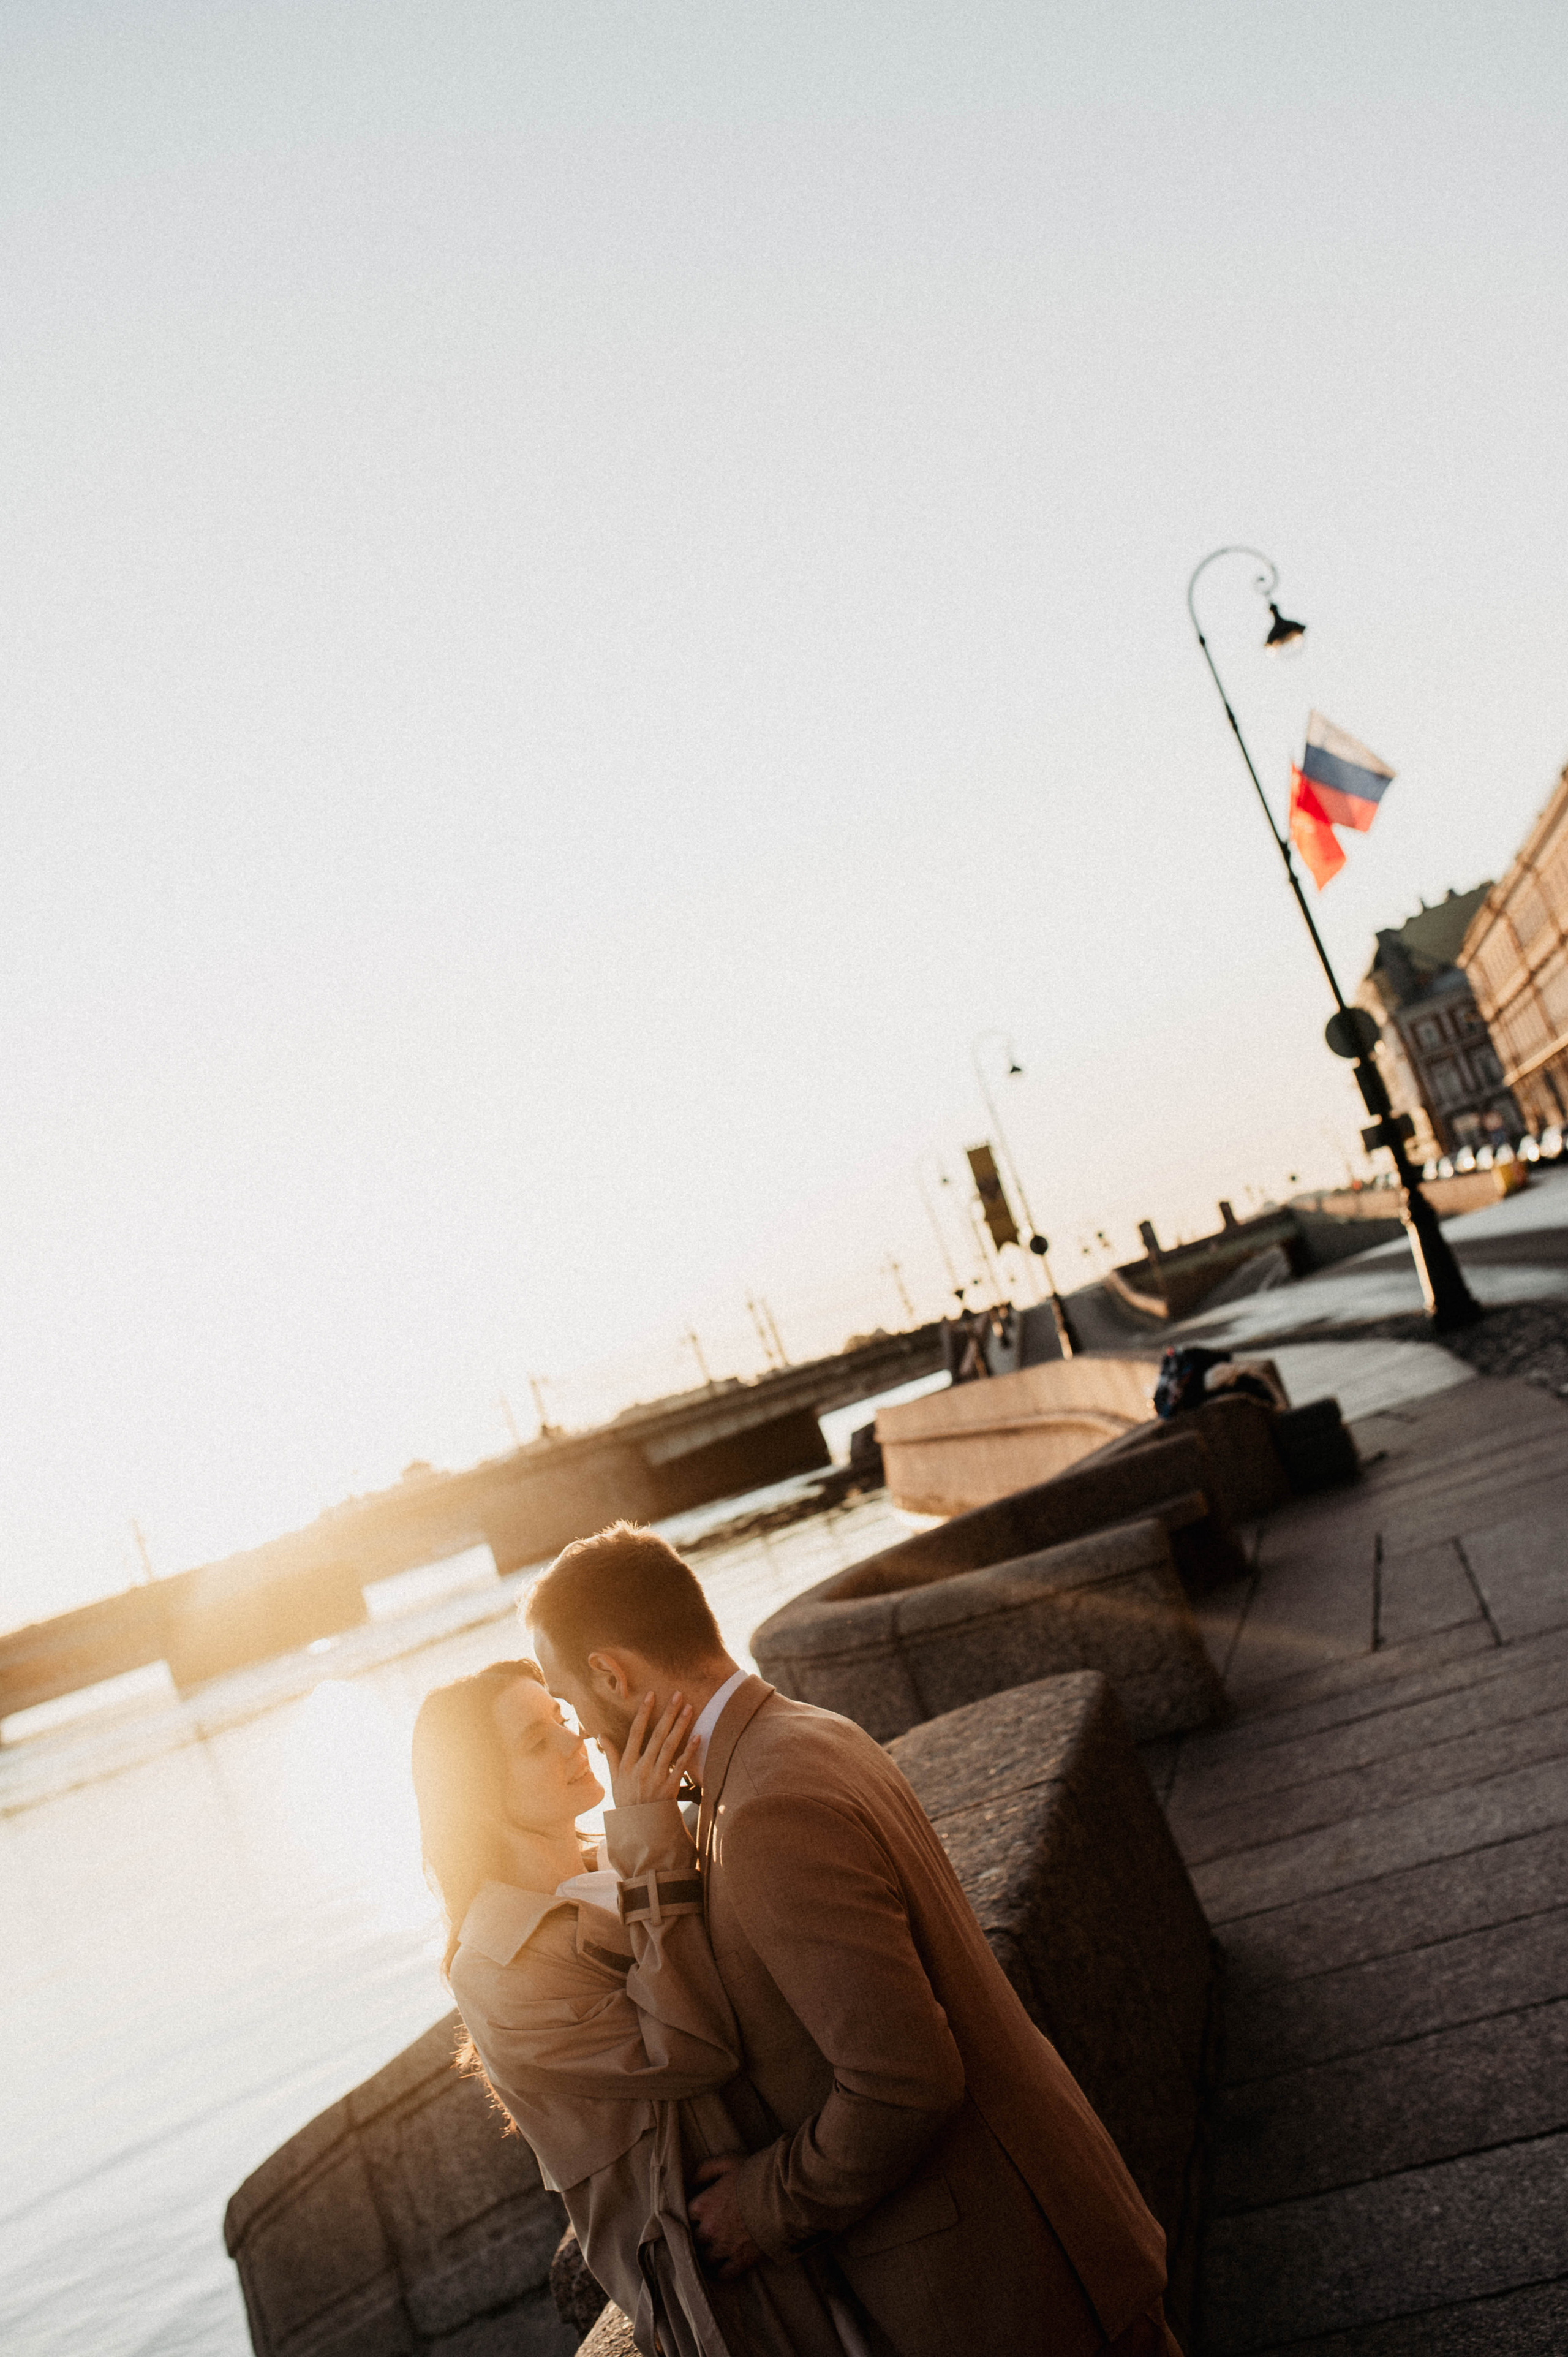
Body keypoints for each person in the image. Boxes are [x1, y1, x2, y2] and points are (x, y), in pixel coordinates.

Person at [526, 1523, 1184, 2357]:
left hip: (1014, 2282)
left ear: (613, 1674)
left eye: (575, 1704)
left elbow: (903, 2078)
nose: (583, 1729)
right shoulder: (803, 1732)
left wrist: (762, 2203)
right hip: (1047, 2239)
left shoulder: (763, 1811)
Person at [411, 1657, 854, 2357]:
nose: (573, 1742)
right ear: (477, 1793)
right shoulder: (497, 1969)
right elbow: (691, 2050)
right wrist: (648, 1832)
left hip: (805, 2201)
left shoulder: (617, 1859)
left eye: (561, 1720)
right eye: (536, 1743)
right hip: (729, 2289)